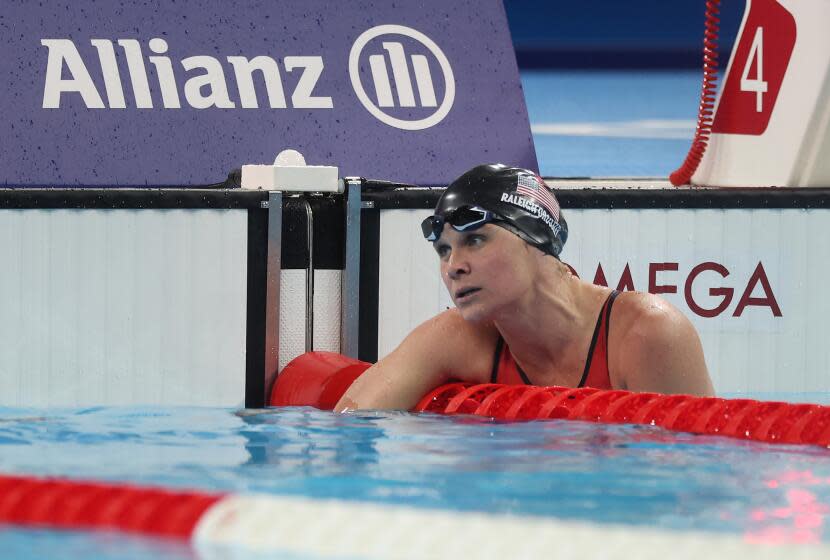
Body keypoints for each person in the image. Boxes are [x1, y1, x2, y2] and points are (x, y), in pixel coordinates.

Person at [336, 164, 714, 412]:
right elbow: (350, 423)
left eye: (476, 241)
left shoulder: (647, 336)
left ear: (534, 240)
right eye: (444, 250)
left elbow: (693, 481)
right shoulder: (459, 337)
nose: (454, 266)